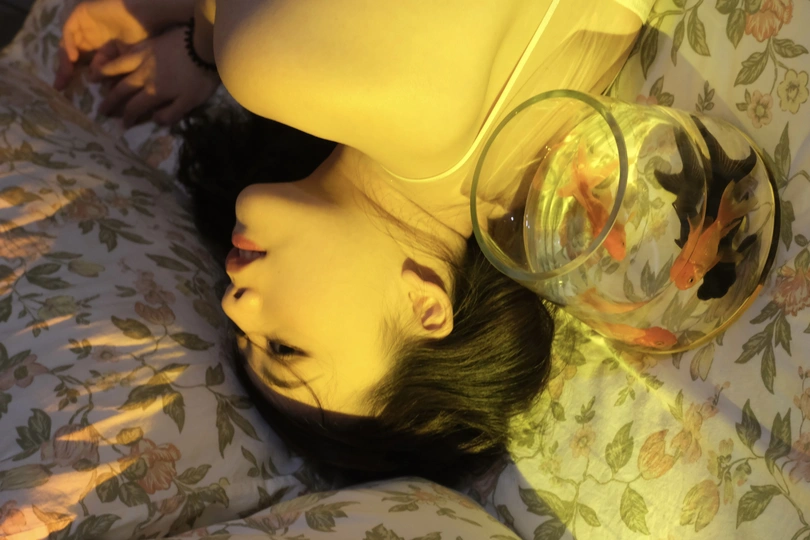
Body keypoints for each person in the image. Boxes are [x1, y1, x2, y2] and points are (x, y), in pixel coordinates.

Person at [55, 0, 651, 484]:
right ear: (424, 308)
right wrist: (203, 37)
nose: (233, 308)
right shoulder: (264, 64)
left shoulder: (519, 172)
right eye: (285, 349)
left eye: (245, 341)